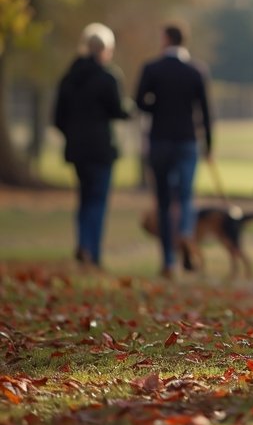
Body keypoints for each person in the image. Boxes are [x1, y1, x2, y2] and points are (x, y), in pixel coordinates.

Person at [135, 24, 213, 278]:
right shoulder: (196, 71)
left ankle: (168, 260)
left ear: (166, 39)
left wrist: (157, 108)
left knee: (165, 202)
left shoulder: (152, 69)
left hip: (160, 142)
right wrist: (209, 145)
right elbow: (205, 111)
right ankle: (188, 235)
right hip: (187, 141)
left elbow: (139, 103)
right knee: (187, 195)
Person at [53, 23, 132, 269]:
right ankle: (92, 252)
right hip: (100, 148)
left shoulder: (69, 77)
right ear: (105, 49)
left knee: (84, 198)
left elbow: (58, 117)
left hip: (77, 149)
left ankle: (83, 243)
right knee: (98, 200)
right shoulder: (108, 77)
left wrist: (72, 134)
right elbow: (118, 111)